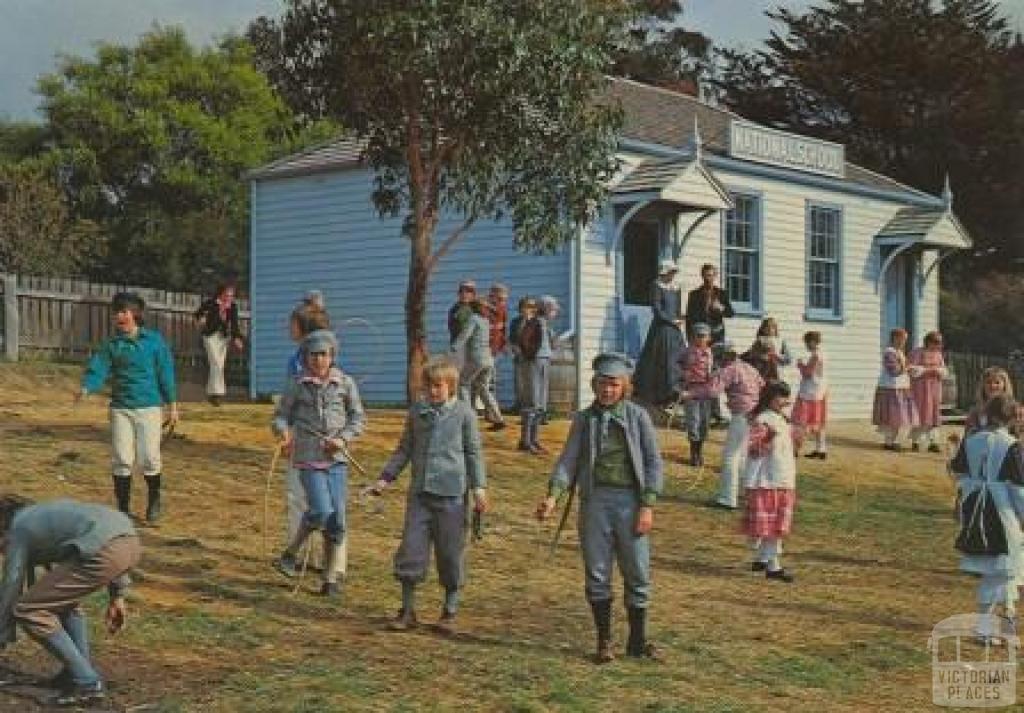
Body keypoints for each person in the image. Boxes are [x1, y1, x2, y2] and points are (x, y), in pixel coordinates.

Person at [536, 353, 663, 663]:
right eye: (602, 384)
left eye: (614, 384)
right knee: (597, 571)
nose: (607, 390)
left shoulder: (638, 417)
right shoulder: (584, 419)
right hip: (595, 502)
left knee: (637, 570)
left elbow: (653, 462)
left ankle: (637, 641)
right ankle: (604, 641)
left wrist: (647, 505)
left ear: (625, 387)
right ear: (594, 384)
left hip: (630, 502)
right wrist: (553, 496)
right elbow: (569, 459)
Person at [370, 357, 488, 635]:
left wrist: (479, 488)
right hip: (420, 496)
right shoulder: (417, 413)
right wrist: (385, 478)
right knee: (411, 550)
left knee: (450, 554)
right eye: (428, 386)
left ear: (451, 387)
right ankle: (407, 610)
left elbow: (474, 453)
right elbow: (404, 450)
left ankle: (450, 610)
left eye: (438, 386)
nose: (432, 392)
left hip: (452, 496)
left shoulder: (464, 415)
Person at [0, 496, 142, 705]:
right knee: (60, 603)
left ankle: (87, 682)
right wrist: (117, 596)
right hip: (130, 543)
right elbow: (107, 534)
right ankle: (74, 673)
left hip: (107, 549)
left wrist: (2, 635)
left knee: (28, 610)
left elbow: (12, 583)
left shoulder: (18, 530)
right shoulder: (42, 516)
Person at [272, 330, 366, 597]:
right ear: (305, 357)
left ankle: (330, 578)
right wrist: (283, 431)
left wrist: (344, 439)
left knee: (337, 521)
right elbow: (280, 416)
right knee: (322, 511)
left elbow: (358, 418)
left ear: (332, 356)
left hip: (336, 460)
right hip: (308, 457)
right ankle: (290, 554)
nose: (319, 360)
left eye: (324, 354)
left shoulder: (345, 383)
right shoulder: (296, 383)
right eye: (313, 355)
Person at [77, 292, 178, 524]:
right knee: (122, 458)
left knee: (149, 458)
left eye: (123, 311)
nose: (118, 316)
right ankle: (122, 508)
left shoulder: (154, 342)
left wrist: (172, 405)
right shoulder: (112, 345)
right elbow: (98, 368)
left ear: (135, 314)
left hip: (149, 408)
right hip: (121, 408)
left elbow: (166, 373)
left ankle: (154, 497)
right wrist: (87, 388)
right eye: (116, 312)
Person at [949, 395, 1024, 643]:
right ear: (1012, 418)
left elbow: (957, 469)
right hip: (1001, 512)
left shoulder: (972, 440)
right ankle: (984, 628)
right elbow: (1017, 487)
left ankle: (1005, 619)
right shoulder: (1010, 445)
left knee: (1002, 570)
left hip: (976, 509)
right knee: (999, 570)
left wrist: (970, 488)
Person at [743, 381, 801, 583]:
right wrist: (768, 440)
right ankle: (773, 566)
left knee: (774, 524)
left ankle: (761, 558)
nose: (785, 401)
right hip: (768, 480)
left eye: (787, 397)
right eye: (781, 397)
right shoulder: (764, 420)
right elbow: (753, 450)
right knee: (773, 526)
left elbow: (788, 448)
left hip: (782, 477)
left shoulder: (781, 419)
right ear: (770, 398)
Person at [706, 341, 764, 509]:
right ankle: (745, 494)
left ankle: (727, 498)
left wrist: (692, 392)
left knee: (731, 457)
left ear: (723, 357)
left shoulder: (729, 370)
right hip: (755, 414)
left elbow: (712, 391)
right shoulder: (749, 368)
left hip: (741, 415)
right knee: (744, 457)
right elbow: (762, 385)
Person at [685, 263, 734, 426]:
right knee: (699, 374)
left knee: (715, 375)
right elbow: (689, 319)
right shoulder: (694, 295)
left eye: (711, 275)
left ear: (715, 276)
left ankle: (716, 413)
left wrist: (721, 309)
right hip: (699, 340)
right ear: (702, 276)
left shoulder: (721, 293)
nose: (709, 278)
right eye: (706, 275)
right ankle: (701, 412)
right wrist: (690, 339)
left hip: (717, 338)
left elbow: (731, 313)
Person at [634, 260, 686, 407]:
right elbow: (657, 310)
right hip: (662, 328)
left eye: (674, 273)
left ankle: (676, 393)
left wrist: (680, 319)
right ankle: (663, 395)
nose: (672, 275)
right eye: (671, 272)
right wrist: (671, 321)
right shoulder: (657, 285)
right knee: (664, 360)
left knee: (678, 359)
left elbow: (677, 309)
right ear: (665, 272)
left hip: (675, 330)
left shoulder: (676, 287)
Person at [451, 299, 506, 430]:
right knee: (484, 388)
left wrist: (454, 346)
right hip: (488, 360)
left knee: (463, 384)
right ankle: (498, 419)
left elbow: (465, 335)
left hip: (476, 358)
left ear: (473, 308)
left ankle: (466, 418)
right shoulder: (486, 321)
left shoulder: (474, 319)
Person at [518, 295, 560, 454]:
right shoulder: (534, 323)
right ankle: (526, 441)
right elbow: (524, 342)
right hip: (535, 362)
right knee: (533, 401)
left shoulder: (545, 325)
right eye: (554, 309)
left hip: (544, 361)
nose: (555, 313)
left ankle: (534, 440)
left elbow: (553, 343)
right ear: (547, 309)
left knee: (540, 403)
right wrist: (530, 355)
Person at [193, 282, 244, 406]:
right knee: (215, 363)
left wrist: (237, 338)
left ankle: (212, 394)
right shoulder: (210, 304)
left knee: (219, 365)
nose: (230, 298)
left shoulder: (232, 307)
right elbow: (197, 315)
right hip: (210, 336)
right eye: (227, 295)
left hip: (223, 339)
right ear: (221, 294)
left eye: (232, 295)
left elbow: (235, 324)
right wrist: (200, 320)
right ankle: (218, 394)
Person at [872, 328, 920, 451]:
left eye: (905, 339)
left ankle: (892, 440)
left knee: (898, 417)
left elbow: (901, 369)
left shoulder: (899, 352)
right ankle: (889, 442)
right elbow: (894, 371)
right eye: (902, 339)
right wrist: (908, 369)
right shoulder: (890, 352)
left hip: (901, 387)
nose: (904, 342)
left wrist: (909, 369)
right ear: (895, 338)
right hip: (890, 388)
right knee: (892, 416)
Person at [677, 323, 717, 467]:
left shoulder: (711, 353)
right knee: (693, 421)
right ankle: (694, 453)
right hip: (691, 389)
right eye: (697, 336)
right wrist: (682, 375)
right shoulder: (687, 352)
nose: (700, 339)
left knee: (704, 422)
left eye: (703, 336)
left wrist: (715, 376)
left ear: (709, 338)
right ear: (692, 338)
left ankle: (700, 450)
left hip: (706, 390)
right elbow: (675, 365)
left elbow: (716, 370)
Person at [908, 331, 949, 452]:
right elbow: (911, 369)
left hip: (934, 387)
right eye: (935, 342)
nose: (938, 345)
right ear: (928, 341)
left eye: (940, 343)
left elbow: (943, 369)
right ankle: (916, 442)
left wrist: (940, 371)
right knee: (921, 414)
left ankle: (933, 442)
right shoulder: (917, 352)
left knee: (933, 415)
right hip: (921, 387)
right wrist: (927, 370)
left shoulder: (938, 354)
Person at [791, 331, 829, 459]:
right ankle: (821, 449)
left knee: (800, 421)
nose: (806, 346)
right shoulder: (823, 354)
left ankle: (795, 449)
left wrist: (800, 365)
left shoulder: (815, 355)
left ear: (812, 342)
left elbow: (808, 373)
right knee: (819, 422)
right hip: (821, 391)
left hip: (809, 393)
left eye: (807, 343)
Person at [965, 367, 1017, 435]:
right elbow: (968, 435)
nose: (993, 386)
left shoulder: (1013, 408)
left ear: (1004, 385)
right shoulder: (975, 411)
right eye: (989, 382)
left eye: (997, 382)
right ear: (983, 385)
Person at [508, 296, 535, 413]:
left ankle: (529, 406)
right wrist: (514, 348)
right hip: (518, 355)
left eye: (530, 307)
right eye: (525, 307)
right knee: (519, 382)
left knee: (530, 382)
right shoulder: (515, 322)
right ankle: (518, 405)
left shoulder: (536, 322)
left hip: (531, 356)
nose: (527, 309)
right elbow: (512, 337)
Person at [486, 283, 510, 400]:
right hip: (484, 348)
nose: (502, 302)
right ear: (492, 297)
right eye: (500, 299)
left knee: (493, 377)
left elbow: (503, 330)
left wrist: (504, 344)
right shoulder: (484, 310)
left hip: (496, 349)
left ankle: (491, 402)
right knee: (485, 377)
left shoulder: (503, 311)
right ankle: (483, 405)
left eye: (504, 300)